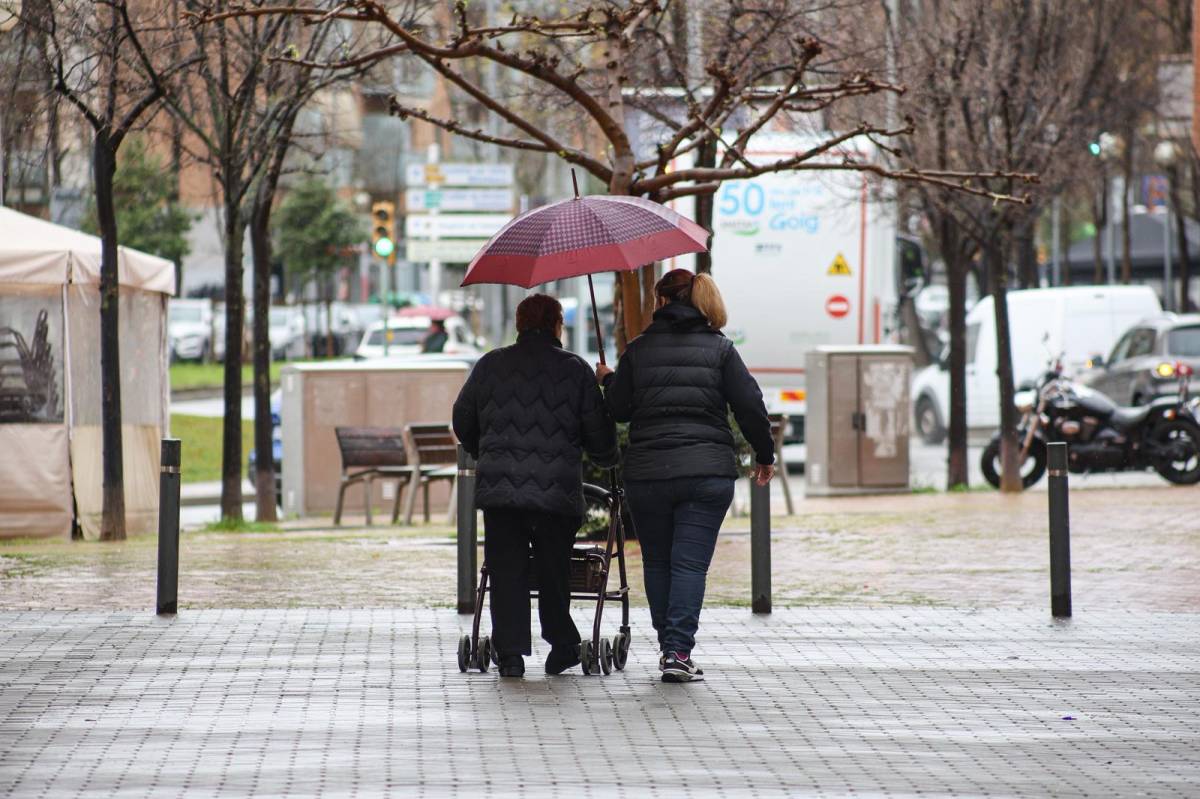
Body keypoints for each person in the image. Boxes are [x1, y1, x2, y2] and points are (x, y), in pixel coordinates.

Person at [596, 269, 774, 683]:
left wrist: (609, 381)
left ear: (660, 302)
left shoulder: (638, 350)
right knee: (690, 565)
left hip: (648, 473)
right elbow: (750, 405)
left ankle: (669, 648)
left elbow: (620, 410)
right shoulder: (721, 350)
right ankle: (677, 652)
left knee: (657, 563)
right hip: (706, 472)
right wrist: (764, 454)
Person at [453, 294, 618, 678]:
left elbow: (463, 419)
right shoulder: (575, 370)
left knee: (505, 567)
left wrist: (487, 451)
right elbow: (599, 439)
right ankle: (562, 646)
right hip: (556, 491)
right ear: (558, 326)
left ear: (519, 324)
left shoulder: (491, 365)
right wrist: (606, 450)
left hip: (501, 492)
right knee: (553, 567)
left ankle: (510, 652)